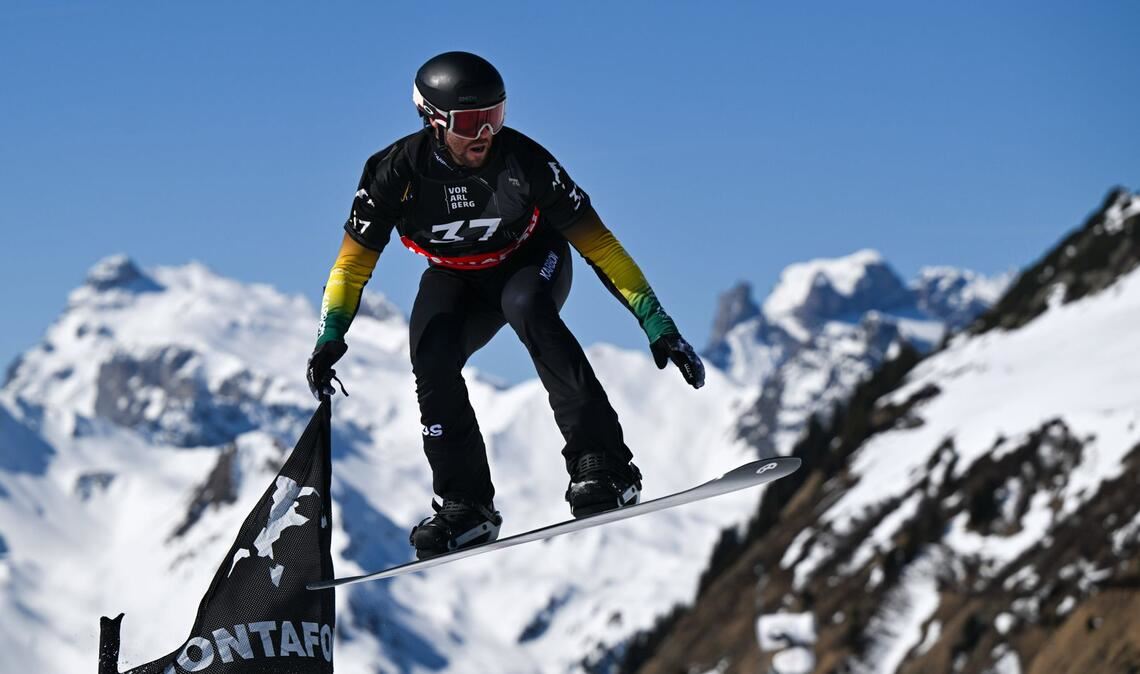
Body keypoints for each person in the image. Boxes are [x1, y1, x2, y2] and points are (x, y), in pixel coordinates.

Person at [306, 51, 705, 560]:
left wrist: (657, 322)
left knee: (529, 308)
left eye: (496, 116)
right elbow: (351, 266)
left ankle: (603, 465)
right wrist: (329, 335)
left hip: (532, 261)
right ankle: (466, 505)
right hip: (455, 278)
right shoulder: (393, 173)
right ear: (432, 119)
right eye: (472, 121)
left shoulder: (526, 162)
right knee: (430, 355)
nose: (486, 134)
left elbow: (599, 246)